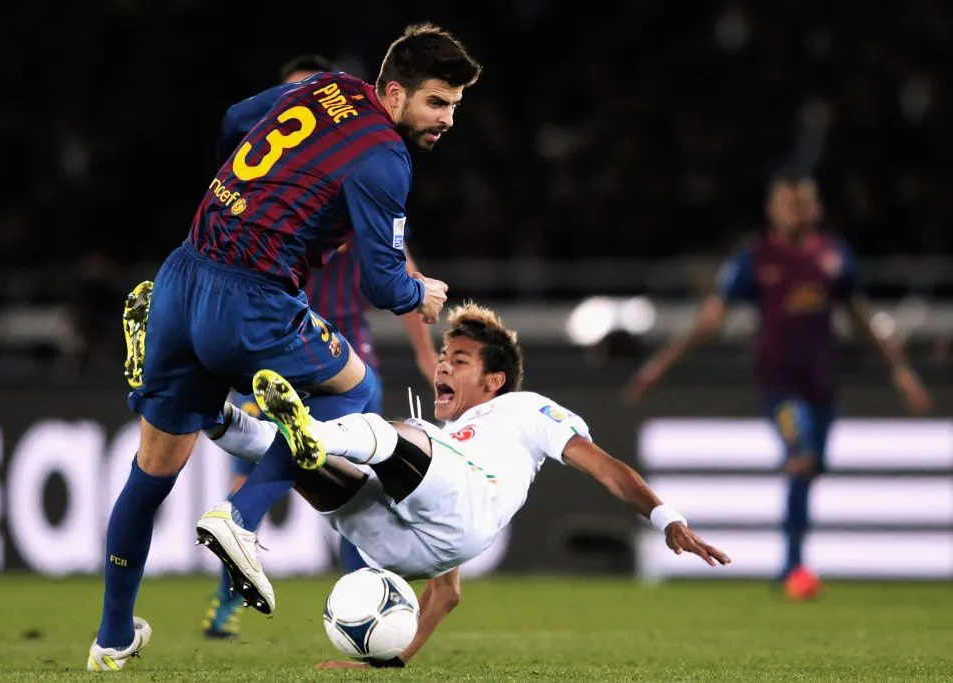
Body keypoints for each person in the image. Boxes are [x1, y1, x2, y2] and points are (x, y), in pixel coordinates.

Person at [87, 23, 481, 671]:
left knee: (151, 472)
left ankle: (111, 637)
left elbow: (234, 119)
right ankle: (240, 515)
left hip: (184, 274)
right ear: (391, 92)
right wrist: (422, 292)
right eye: (436, 102)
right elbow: (383, 282)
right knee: (357, 391)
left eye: (455, 107)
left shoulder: (326, 88)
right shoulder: (386, 157)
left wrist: (246, 199)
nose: (447, 119)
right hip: (252, 296)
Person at [197, 302, 731, 669]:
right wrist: (388, 664)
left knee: (393, 434)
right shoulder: (455, 440)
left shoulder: (523, 408)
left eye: (459, 360)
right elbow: (446, 593)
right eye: (443, 358)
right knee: (291, 454)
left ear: (493, 381)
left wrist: (667, 518)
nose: (442, 368)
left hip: (465, 508)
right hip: (407, 545)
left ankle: (310, 432)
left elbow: (606, 467)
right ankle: (203, 409)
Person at [201, 53, 439, 640]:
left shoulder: (349, 173)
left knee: (339, 473)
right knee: (269, 461)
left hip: (330, 340)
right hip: (275, 331)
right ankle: (229, 595)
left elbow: (396, 269)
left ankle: (354, 596)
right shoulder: (289, 183)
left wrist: (429, 354)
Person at [625, 171, 931, 600]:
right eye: (788, 204)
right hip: (780, 387)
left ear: (816, 209)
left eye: (802, 203)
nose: (795, 211)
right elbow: (712, 321)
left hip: (823, 386)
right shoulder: (755, 259)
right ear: (773, 210)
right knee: (801, 455)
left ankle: (792, 563)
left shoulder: (832, 256)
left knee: (810, 469)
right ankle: (792, 568)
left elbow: (860, 319)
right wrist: (659, 366)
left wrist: (900, 371)